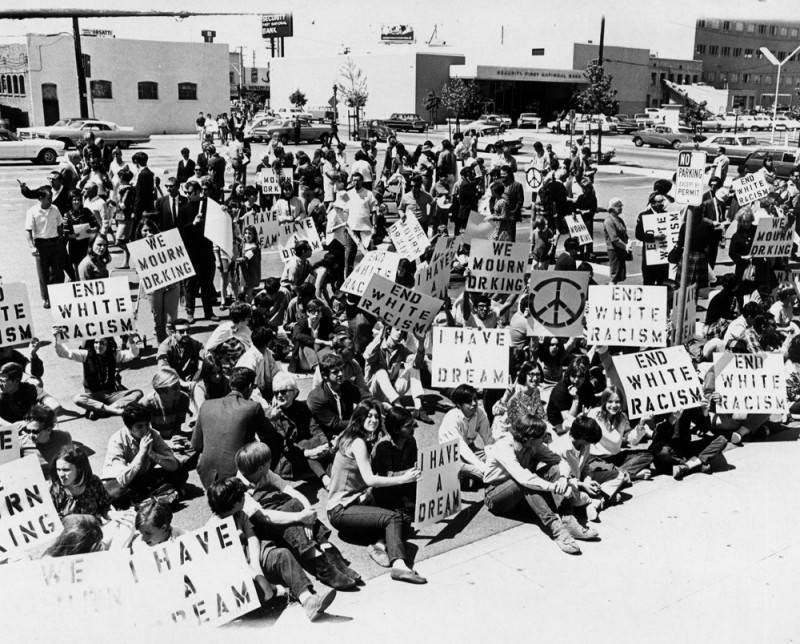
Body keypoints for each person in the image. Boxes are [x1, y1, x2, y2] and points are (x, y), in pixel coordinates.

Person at [206, 477, 337, 621]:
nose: (245, 498)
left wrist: (256, 566)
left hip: (255, 560)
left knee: (283, 556)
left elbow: (252, 537)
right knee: (254, 591)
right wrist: (251, 572)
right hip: (237, 571)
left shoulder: (240, 515)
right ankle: (277, 592)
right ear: (235, 502)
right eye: (242, 496)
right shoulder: (212, 528)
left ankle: (308, 601)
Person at [234, 442, 359, 589]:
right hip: (261, 525)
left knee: (294, 503)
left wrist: (308, 513)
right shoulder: (239, 487)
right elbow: (264, 516)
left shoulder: (264, 472)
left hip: (276, 509)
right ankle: (320, 563)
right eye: (268, 463)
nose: (270, 464)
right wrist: (300, 517)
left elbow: (290, 490)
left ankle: (330, 553)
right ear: (261, 467)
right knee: (289, 511)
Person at [326, 401, 426, 584]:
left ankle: (378, 545)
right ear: (359, 418)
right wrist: (404, 478)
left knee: (402, 519)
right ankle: (399, 566)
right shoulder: (358, 443)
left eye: (375, 416)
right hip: (341, 509)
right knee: (394, 519)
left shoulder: (355, 437)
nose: (373, 420)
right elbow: (370, 479)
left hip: (355, 503)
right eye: (368, 416)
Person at [483, 414, 597, 555]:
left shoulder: (535, 445)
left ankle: (569, 521)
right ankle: (557, 530)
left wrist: (562, 477)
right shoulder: (504, 446)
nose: (545, 438)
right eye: (542, 436)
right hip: (496, 496)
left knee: (554, 470)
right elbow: (524, 478)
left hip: (521, 495)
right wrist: (554, 487)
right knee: (526, 481)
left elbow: (560, 461)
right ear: (530, 438)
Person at [191, 366, 279, 489]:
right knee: (270, 444)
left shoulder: (207, 405)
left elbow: (196, 445)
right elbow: (270, 436)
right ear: (249, 387)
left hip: (207, 477)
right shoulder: (252, 407)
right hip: (236, 478)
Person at [101, 403, 186, 507]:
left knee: (181, 471)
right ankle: (158, 497)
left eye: (147, 424)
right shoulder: (117, 441)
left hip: (142, 477)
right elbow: (122, 480)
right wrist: (141, 453)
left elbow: (174, 465)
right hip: (121, 481)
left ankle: (146, 500)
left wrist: (152, 454)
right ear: (129, 428)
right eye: (139, 426)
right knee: (114, 494)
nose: (145, 430)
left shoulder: (153, 434)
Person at [54, 336, 143, 419]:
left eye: (102, 343)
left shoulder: (114, 354)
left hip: (111, 394)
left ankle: (107, 409)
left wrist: (132, 342)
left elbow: (133, 354)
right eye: (96, 342)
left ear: (108, 345)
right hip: (93, 395)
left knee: (138, 393)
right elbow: (64, 353)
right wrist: (57, 337)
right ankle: (111, 410)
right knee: (77, 399)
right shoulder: (86, 354)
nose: (98, 346)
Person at [586, 386, 655, 484]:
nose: (614, 405)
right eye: (610, 402)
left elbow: (632, 441)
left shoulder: (622, 417)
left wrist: (641, 423)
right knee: (597, 468)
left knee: (648, 455)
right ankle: (630, 475)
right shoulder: (594, 414)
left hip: (615, 457)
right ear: (604, 401)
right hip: (596, 459)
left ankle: (618, 475)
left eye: (617, 402)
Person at [179, 179, 219, 323]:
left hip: (206, 252)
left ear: (197, 192)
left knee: (207, 284)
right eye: (186, 192)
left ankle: (209, 312)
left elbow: (219, 220)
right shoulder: (184, 209)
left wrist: (225, 211)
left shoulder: (208, 206)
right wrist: (193, 224)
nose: (187, 195)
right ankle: (190, 313)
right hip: (191, 253)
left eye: (189, 192)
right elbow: (180, 231)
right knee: (190, 286)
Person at [439, 384, 494, 483]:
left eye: (475, 399)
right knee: (482, 471)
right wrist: (482, 466)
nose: (474, 404)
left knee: (495, 460)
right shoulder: (452, 419)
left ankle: (475, 476)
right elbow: (462, 449)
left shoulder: (479, 413)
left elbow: (488, 438)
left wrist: (491, 458)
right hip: (451, 454)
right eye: (468, 401)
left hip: (470, 448)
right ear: (459, 405)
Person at [135, 219, 180, 343]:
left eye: (151, 230)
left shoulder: (165, 242)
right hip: (154, 288)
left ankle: (174, 347)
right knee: (159, 321)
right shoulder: (136, 248)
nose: (149, 233)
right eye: (145, 230)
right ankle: (162, 348)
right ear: (140, 232)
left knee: (171, 322)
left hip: (171, 285)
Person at [307, 353, 362, 441]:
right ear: (324, 375)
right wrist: (360, 422)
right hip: (326, 436)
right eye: (335, 372)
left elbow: (362, 399)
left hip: (347, 431)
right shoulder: (316, 398)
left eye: (341, 369)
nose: (340, 374)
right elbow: (335, 424)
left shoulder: (347, 386)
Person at [25, 185, 64, 308]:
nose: (51, 200)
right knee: (43, 274)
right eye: (48, 198)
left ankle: (56, 296)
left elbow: (60, 224)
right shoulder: (32, 211)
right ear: (40, 199)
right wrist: (32, 247)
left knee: (57, 272)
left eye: (51, 197)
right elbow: (28, 231)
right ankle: (46, 298)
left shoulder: (55, 209)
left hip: (54, 243)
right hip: (41, 245)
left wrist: (60, 238)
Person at [49, 445, 111, 521]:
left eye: (66, 470)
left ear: (79, 469)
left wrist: (110, 516)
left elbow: (105, 508)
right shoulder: (55, 490)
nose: (61, 475)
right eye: (58, 469)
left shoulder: (93, 482)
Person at [17, 404, 73, 477]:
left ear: (49, 430)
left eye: (35, 432)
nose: (30, 436)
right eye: (28, 431)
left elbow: (71, 462)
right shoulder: (21, 443)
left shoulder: (64, 438)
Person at [546, 358, 597, 434]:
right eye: (573, 376)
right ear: (569, 374)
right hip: (559, 424)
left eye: (580, 376)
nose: (576, 380)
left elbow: (592, 404)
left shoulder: (586, 385)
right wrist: (575, 399)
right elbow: (568, 421)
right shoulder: (560, 390)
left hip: (580, 417)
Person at [344, 172, 378, 274]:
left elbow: (374, 211)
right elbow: (344, 211)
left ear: (362, 181)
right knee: (350, 253)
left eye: (358, 180)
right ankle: (348, 277)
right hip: (352, 229)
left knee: (367, 254)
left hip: (365, 229)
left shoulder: (369, 194)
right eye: (354, 180)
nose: (356, 182)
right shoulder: (347, 194)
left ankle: (368, 275)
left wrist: (374, 226)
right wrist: (345, 224)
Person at [62, 189, 100, 280]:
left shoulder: (86, 211)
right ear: (71, 201)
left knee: (89, 266)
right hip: (74, 246)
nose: (77, 202)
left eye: (79, 199)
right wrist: (74, 236)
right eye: (74, 200)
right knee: (77, 268)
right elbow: (65, 234)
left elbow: (96, 226)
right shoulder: (67, 215)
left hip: (87, 244)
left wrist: (91, 230)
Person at [634, 194, 670, 285]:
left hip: (662, 257)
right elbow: (638, 235)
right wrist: (654, 237)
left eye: (663, 201)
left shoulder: (666, 214)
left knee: (663, 283)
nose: (662, 204)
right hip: (650, 257)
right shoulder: (643, 216)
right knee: (648, 283)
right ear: (652, 204)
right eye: (660, 202)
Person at [604, 197, 630, 283]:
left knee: (620, 274)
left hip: (621, 248)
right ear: (612, 208)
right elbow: (614, 239)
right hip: (614, 250)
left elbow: (624, 233)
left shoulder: (619, 219)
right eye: (618, 206)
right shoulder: (609, 221)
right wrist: (625, 246)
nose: (621, 208)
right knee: (615, 274)